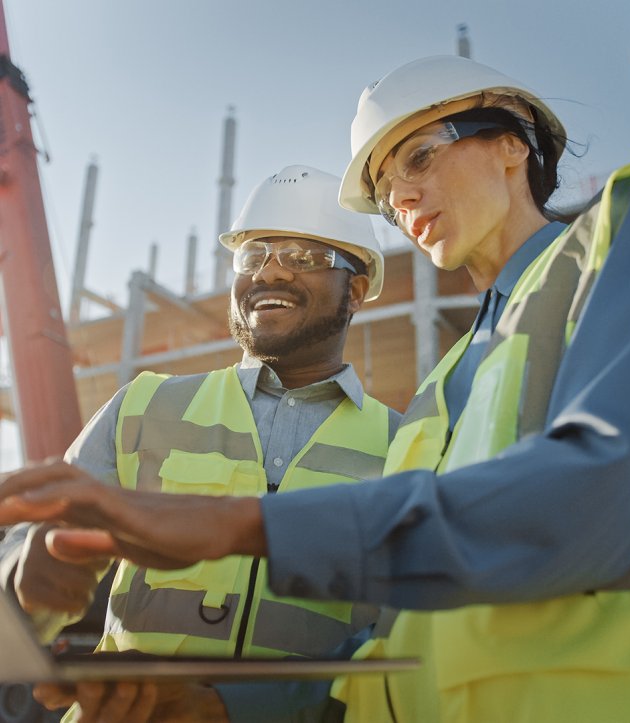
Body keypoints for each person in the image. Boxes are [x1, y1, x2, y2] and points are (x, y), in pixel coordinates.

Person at [1, 55, 630, 723]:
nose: (402, 197)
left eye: (420, 158)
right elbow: (388, 646)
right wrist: (214, 704)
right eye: (386, 187)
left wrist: (232, 524)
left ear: (514, 141)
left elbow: (592, 497)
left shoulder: (618, 234)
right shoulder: (444, 388)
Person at [0, 165, 400, 722]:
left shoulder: (407, 445)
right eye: (254, 255)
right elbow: (32, 552)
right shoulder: (142, 406)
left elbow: (401, 643)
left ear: (355, 291)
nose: (271, 273)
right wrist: (24, 575)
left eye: (304, 258)